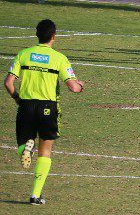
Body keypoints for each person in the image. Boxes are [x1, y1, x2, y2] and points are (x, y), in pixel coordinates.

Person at [5, 19, 84, 205]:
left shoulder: (23, 54)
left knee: (23, 145)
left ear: (37, 35)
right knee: (46, 151)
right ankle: (35, 195)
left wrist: (17, 98)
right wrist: (81, 86)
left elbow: (8, 83)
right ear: (54, 36)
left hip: (26, 105)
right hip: (48, 108)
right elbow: (73, 87)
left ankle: (26, 149)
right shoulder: (59, 58)